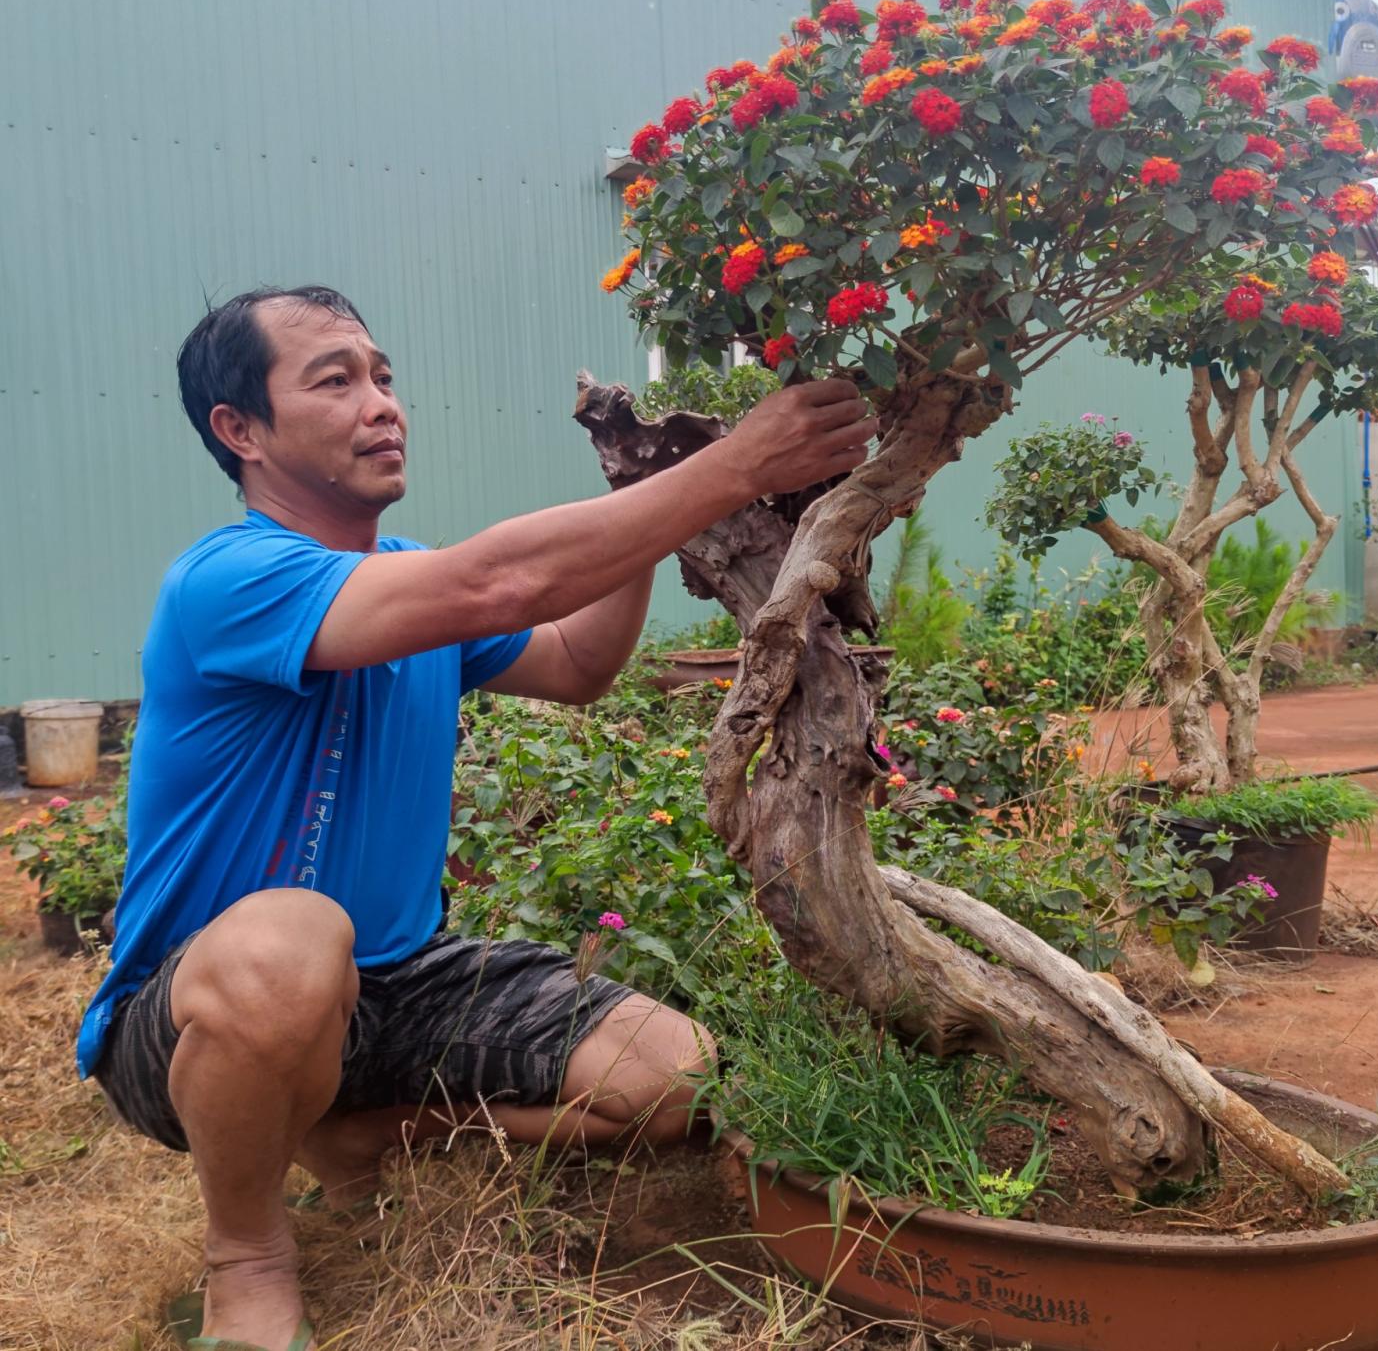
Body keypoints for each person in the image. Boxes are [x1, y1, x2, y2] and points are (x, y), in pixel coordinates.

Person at [76, 285, 878, 1350]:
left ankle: (361, 1134)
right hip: (192, 1010)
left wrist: (653, 499)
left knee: (675, 1076)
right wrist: (725, 471)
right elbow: (503, 583)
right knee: (295, 938)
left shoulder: (409, 577)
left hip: (404, 981)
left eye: (384, 376)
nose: (381, 404)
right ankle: (248, 1253)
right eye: (334, 381)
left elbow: (582, 662)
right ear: (240, 430)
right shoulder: (229, 580)